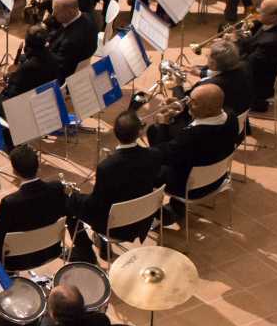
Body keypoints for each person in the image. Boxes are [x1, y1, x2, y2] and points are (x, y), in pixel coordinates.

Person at [68, 110, 166, 249]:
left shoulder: (106, 167)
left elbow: (97, 203)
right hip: (144, 218)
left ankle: (87, 249)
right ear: (139, 132)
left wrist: (75, 196)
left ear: (115, 133)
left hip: (115, 227)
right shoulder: (154, 155)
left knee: (72, 201)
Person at [149, 83, 237, 220]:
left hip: (191, 187)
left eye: (193, 103)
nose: (189, 103)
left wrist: (162, 124)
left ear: (206, 110)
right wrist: (182, 108)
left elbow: (161, 154)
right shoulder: (231, 116)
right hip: (217, 177)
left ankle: (161, 215)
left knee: (144, 168)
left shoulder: (191, 138)